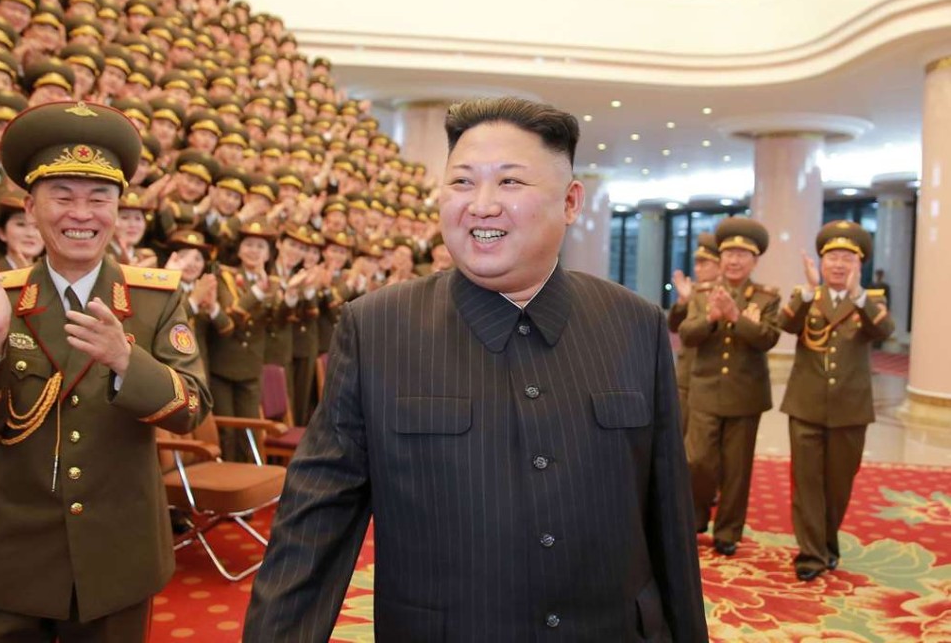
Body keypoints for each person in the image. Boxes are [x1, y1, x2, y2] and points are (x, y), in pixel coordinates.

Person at [243, 97, 706, 641]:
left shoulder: (635, 326)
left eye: (510, 183)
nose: (481, 205)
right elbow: (313, 528)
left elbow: (670, 521)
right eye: (462, 182)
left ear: (571, 201)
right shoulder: (377, 330)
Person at [0, 100, 212, 642]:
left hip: (116, 550)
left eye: (98, 198)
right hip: (16, 545)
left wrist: (125, 361)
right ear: (30, 207)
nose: (80, 214)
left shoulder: (155, 301)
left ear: (117, 209)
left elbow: (192, 410)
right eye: (62, 197)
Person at [779, 220, 894, 581]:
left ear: (858, 264)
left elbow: (885, 332)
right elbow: (787, 325)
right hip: (806, 405)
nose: (839, 265)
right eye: (832, 258)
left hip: (850, 409)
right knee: (807, 483)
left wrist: (861, 297)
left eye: (847, 258)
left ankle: (827, 542)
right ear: (820, 263)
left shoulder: (870, 302)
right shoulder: (807, 296)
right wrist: (810, 292)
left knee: (839, 484)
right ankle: (811, 554)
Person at [679, 216, 780, 557]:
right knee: (697, 461)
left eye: (743, 254)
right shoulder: (702, 294)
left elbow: (768, 338)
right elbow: (687, 334)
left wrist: (737, 318)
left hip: (746, 395)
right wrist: (710, 317)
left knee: (737, 469)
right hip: (705, 390)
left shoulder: (766, 297)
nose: (735, 260)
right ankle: (694, 516)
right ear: (720, 258)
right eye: (729, 253)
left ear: (755, 260)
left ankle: (728, 532)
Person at [669, 231, 720, 436]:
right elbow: (674, 326)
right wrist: (683, 301)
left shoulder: (724, 293)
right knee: (680, 431)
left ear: (719, 265)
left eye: (704, 264)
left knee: (701, 439)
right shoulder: (693, 291)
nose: (698, 269)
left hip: (711, 374)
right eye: (697, 263)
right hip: (687, 372)